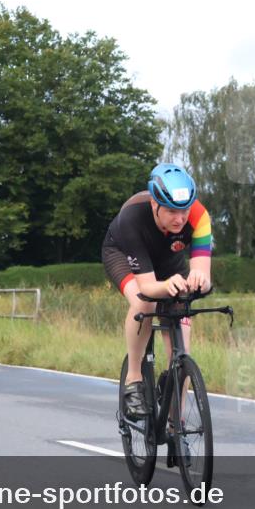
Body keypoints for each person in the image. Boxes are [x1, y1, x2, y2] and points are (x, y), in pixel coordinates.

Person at [102, 163, 212, 422]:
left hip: (168, 261)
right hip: (123, 253)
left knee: (182, 332)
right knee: (145, 305)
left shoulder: (200, 217)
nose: (180, 218)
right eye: (172, 211)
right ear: (155, 205)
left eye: (184, 211)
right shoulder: (132, 218)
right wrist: (166, 287)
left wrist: (198, 279)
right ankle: (134, 379)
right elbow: (149, 288)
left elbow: (204, 278)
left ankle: (177, 420)